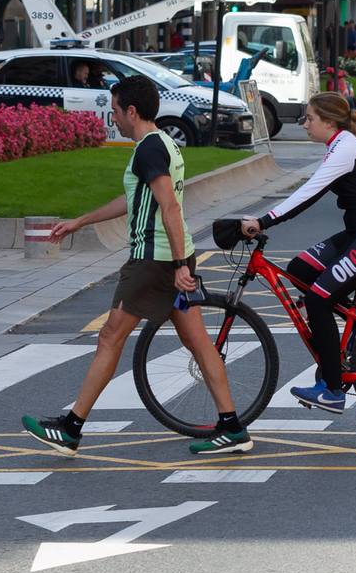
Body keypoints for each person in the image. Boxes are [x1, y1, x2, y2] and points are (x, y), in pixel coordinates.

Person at [21, 77, 252, 458]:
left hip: (154, 263)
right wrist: (82, 221)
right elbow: (134, 199)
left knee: (110, 337)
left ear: (131, 111)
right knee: (196, 341)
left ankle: (71, 428)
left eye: (114, 110)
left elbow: (169, 207)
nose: (112, 118)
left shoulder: (149, 149)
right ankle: (232, 426)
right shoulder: (163, 145)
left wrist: (178, 265)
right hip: (170, 259)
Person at [239, 91, 356, 414]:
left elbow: (308, 193)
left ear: (329, 122)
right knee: (300, 268)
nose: (304, 124)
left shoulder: (345, 147)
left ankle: (332, 389)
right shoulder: (342, 143)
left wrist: (262, 221)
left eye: (310, 118)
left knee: (318, 299)